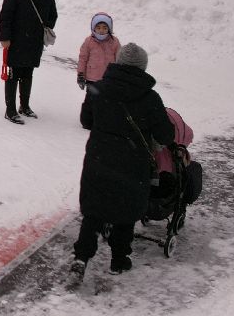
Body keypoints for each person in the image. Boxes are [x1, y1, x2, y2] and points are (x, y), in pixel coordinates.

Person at [72, 43, 176, 276]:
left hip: (98, 159)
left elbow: (86, 121)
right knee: (125, 211)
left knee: (94, 211)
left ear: (118, 62)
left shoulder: (97, 89)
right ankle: (119, 260)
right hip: (132, 165)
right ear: (142, 67)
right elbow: (166, 135)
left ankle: (81, 257)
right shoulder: (150, 98)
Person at [0, 0, 57, 123]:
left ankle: (24, 106)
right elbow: (5, 17)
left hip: (34, 43)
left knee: (28, 74)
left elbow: (53, 15)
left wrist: (45, 27)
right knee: (13, 75)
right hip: (16, 42)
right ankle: (10, 110)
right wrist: (5, 37)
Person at [76, 12, 121, 128]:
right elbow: (83, 59)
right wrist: (81, 75)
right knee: (90, 101)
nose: (101, 30)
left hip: (108, 79)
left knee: (106, 101)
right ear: (93, 28)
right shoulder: (89, 41)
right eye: (98, 27)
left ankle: (102, 121)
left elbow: (119, 60)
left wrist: (118, 76)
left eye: (105, 28)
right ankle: (87, 121)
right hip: (92, 79)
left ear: (109, 29)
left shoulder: (114, 42)